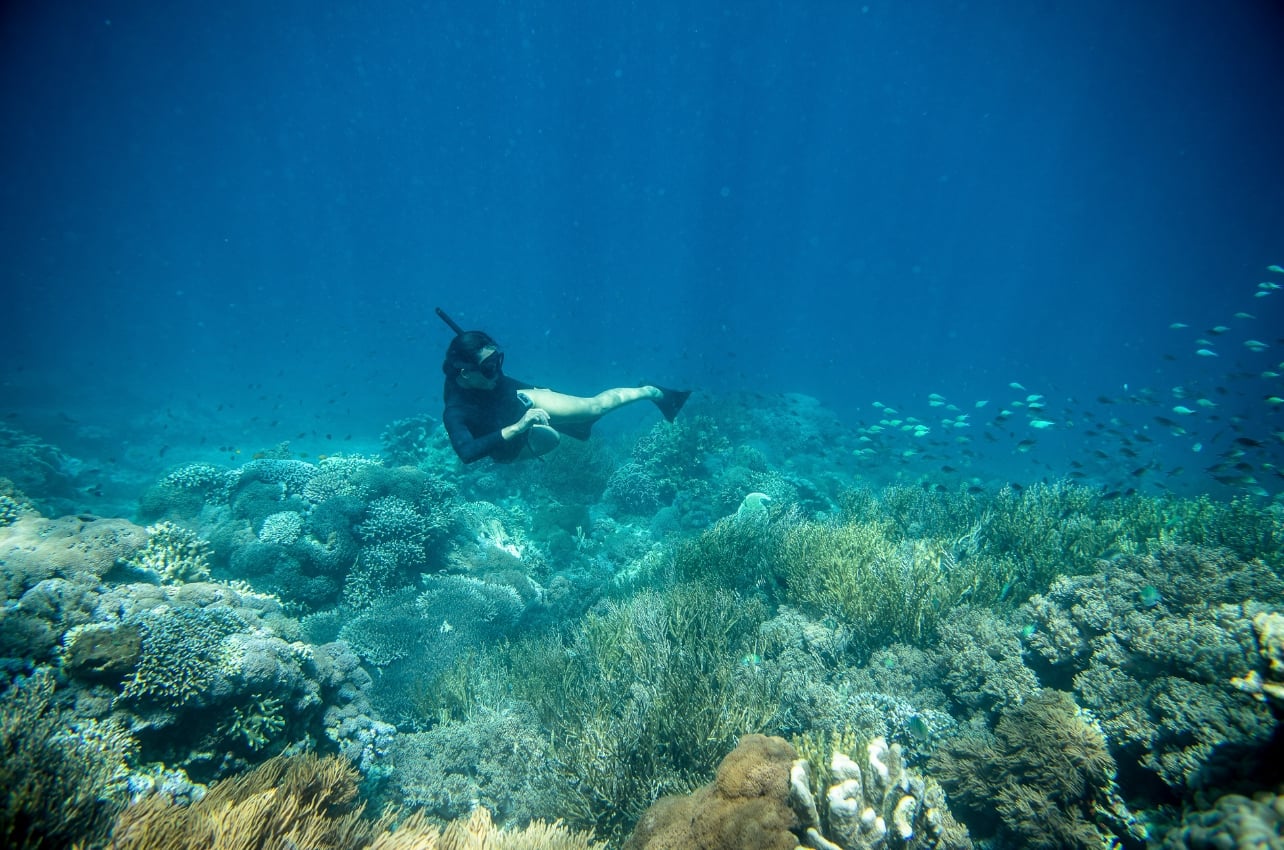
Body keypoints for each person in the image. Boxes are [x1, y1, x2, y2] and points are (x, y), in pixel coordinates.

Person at [437, 309, 690, 464]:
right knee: (552, 438)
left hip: (515, 400)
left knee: (593, 408)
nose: (497, 370)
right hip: (506, 444)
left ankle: (655, 393)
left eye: (498, 360)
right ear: (465, 374)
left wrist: (539, 393)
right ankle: (560, 426)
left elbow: (499, 381)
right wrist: (518, 426)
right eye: (489, 367)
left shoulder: (485, 374)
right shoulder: (457, 410)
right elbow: (467, 452)